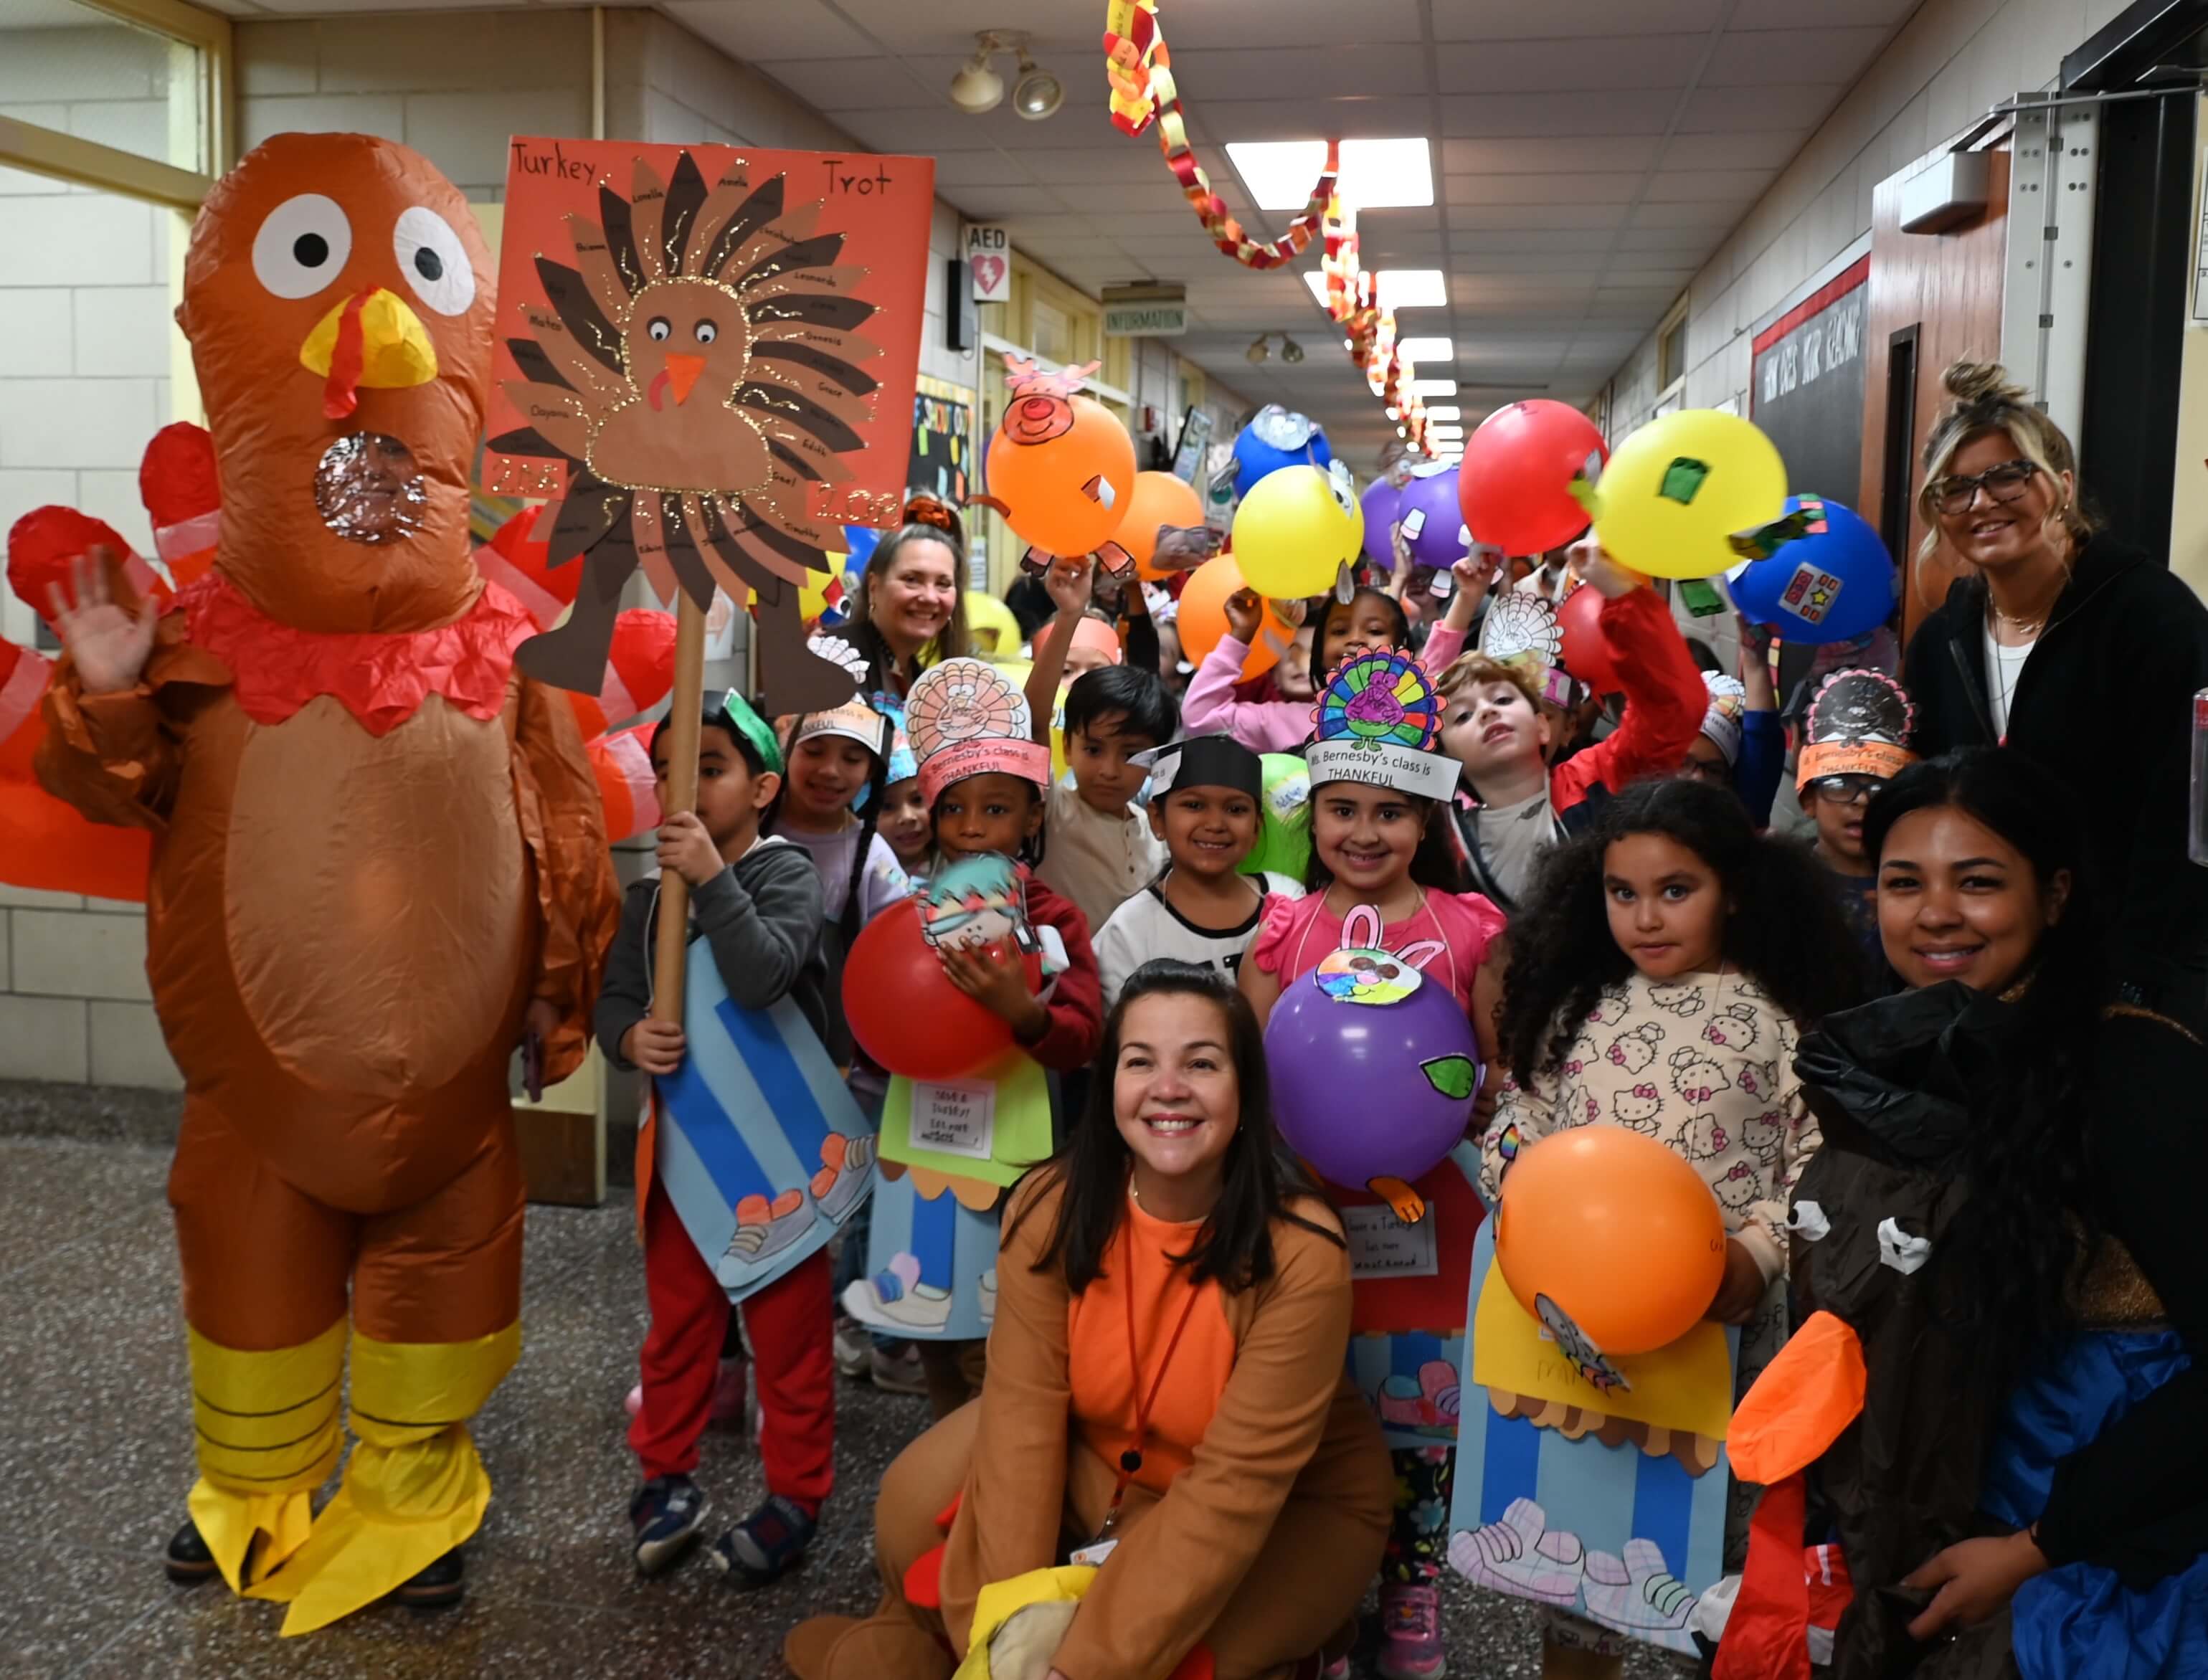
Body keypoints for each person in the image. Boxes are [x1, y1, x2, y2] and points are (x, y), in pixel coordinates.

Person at [1717, 749, 2208, 1679]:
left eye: (1976, 881)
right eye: (1903, 882)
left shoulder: (2136, 1074)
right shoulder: (1909, 1052)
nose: (1934, 911)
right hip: (1944, 1522)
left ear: (2054, 893)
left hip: (2106, 1563)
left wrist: (2035, 1545)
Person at [781, 962, 1394, 1680]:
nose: (1169, 1088)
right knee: (912, 1516)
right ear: (1108, 1087)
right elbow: (1022, 1410)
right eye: (1140, 1062)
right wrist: (1006, 1630)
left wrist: (1080, 1668)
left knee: (1163, 1657)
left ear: (1243, 1090)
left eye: (1201, 1063)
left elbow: (1234, 1487)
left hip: (1289, 1502)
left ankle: (1295, 1649)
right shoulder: (1050, 1205)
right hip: (1103, 1462)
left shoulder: (1301, 1249)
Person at [1479, 777, 1859, 1678]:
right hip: (1574, 1341)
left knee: (1703, 1573)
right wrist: (1521, 1208)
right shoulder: (1576, 1009)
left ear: (1733, 889)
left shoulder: (1779, 1018)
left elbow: (1817, 1163)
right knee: (1575, 1561)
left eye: (1674, 891)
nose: (1646, 918)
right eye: (1623, 893)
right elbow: (1518, 1126)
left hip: (1722, 1338)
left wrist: (1757, 1254)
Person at [1240, 645, 1507, 1680]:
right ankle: (1321, 1599)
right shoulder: (1285, 928)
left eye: (1388, 813)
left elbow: (1492, 1065)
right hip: (1303, 1214)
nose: (1363, 832)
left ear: (1425, 823)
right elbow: (1251, 1066)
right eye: (1342, 809)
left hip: (1431, 1217)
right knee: (1310, 1409)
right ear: (1314, 817)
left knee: (1421, 1422)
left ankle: (1411, 1590)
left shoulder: (1467, 928)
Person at [597, 692, 868, 1588]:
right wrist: (631, 1037)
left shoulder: (784, 876)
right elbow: (616, 1004)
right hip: (685, 1159)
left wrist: (713, 880)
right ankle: (664, 1480)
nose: (687, 788)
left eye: (707, 770)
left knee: (789, 1340)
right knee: (677, 1332)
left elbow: (761, 980)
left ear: (759, 788)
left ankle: (797, 1493)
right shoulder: (645, 900)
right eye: (670, 770)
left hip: (786, 1157)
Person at [1902, 359, 2208, 1024]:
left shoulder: (2150, 618)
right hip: (1989, 970)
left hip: (2124, 980)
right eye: (1953, 490)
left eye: (2006, 476)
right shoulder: (1941, 639)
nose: (1981, 503)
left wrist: (2138, 979)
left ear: (2061, 485)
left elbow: (2185, 818)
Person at [841, 658, 1104, 1418]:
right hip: (917, 1137)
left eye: (995, 810)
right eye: (954, 809)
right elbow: (876, 1013)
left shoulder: (1051, 917)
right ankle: (942, 1422)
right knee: (926, 1293)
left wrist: (1024, 1015)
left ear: (1030, 819)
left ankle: (1002, 1457)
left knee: (1004, 1316)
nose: (970, 827)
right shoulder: (908, 913)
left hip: (1017, 1154)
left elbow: (1083, 1033)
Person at [1433, 541, 1707, 916]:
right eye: (1463, 717)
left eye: (1502, 700)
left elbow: (1673, 708)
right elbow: (1400, 725)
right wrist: (1465, 603)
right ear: (1443, 753)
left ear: (1543, 726)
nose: (1485, 713)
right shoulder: (1442, 833)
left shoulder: (1598, 777)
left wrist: (1620, 594)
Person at [1025, 558, 1179, 938]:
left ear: (1155, 758)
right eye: (1093, 750)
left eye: (1129, 755)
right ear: (1067, 747)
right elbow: (1032, 720)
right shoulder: (1053, 813)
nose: (1110, 770)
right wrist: (1069, 615)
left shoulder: (1156, 834)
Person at [1094, 735, 1305, 1010]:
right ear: (1157, 819)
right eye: (1194, 805)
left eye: (1236, 809)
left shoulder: (1288, 899)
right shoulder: (1128, 931)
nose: (1216, 824)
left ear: (1256, 827)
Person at [1794, 669, 1918, 987]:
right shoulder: (1785, 880)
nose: (1861, 802)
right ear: (1809, 800)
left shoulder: (1919, 885)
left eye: (1879, 786)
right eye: (1839, 784)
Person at [1180, 584, 1410, 751]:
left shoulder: (1419, 712)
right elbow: (1201, 718)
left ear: (1402, 648)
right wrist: (1240, 635)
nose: (1356, 639)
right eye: (1340, 631)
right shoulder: (1278, 720)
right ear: (1319, 657)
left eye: (1375, 631)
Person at [818, 521, 972, 700]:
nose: (930, 597)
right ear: (874, 587)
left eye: (943, 584)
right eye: (912, 579)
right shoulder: (831, 660)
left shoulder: (924, 683)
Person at [873, 724, 933, 873]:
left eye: (917, 800)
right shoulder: (866, 874)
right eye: (887, 806)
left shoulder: (953, 866)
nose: (907, 817)